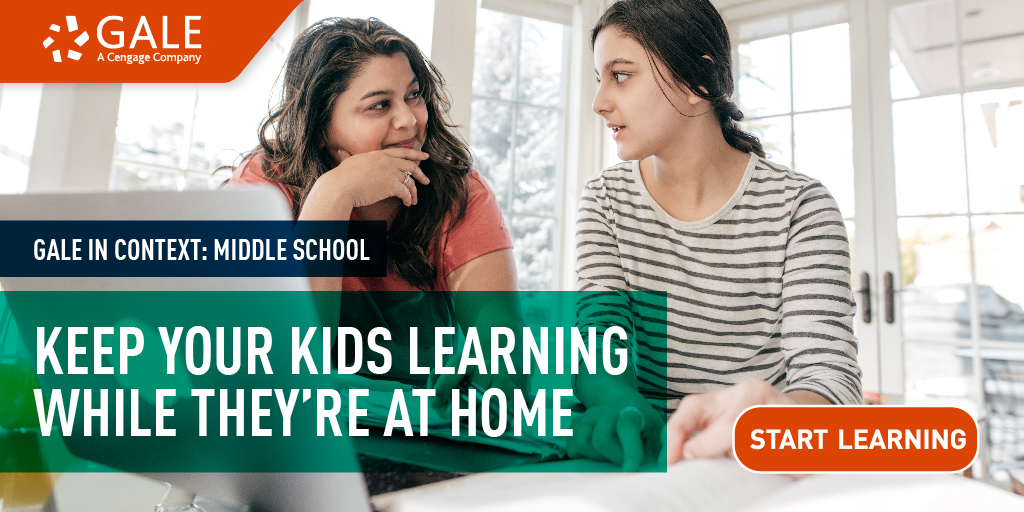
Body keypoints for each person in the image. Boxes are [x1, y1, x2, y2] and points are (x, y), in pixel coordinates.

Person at [569, 0, 861, 471]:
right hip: (638, 464)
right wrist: (615, 402)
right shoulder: (604, 199)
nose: (599, 101)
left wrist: (778, 419)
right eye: (600, 78)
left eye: (620, 75)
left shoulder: (801, 206)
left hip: (758, 470)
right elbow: (599, 341)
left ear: (697, 82)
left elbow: (830, 379)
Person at [229, 17, 524, 404]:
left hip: (416, 422)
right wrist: (332, 195)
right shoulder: (265, 186)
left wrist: (495, 363)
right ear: (321, 126)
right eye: (379, 105)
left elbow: (502, 344)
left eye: (413, 95)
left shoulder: (459, 192)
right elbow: (282, 363)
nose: (409, 119)